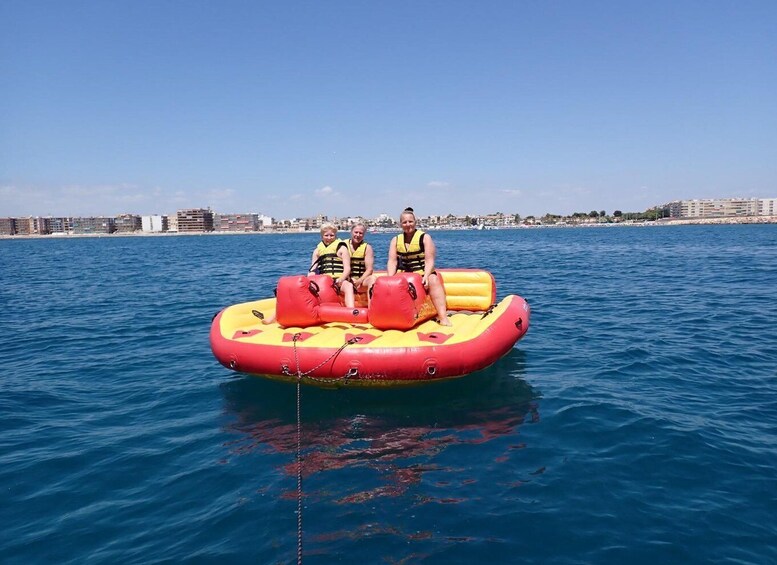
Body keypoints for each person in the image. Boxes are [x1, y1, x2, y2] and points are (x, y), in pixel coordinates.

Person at [387, 207, 452, 326]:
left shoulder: (425, 238)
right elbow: (392, 262)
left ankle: (443, 317)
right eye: (405, 222)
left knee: (433, 279)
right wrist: (390, 278)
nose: (408, 224)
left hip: (422, 272)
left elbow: (430, 260)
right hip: (403, 273)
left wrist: (426, 276)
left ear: (415, 222)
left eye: (410, 221)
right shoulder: (395, 240)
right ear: (400, 224)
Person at [309, 222, 355, 308]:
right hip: (323, 281)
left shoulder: (342, 248)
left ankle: (351, 312)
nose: (329, 238)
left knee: (348, 286)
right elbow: (312, 269)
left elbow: (347, 269)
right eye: (326, 235)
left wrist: (341, 279)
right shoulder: (317, 251)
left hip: (338, 280)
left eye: (332, 235)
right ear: (322, 236)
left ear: (335, 235)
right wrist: (311, 275)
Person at [346, 223, 375, 303]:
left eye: (361, 233)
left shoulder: (367, 248)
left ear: (364, 234)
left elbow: (369, 270)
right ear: (351, 232)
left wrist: (359, 281)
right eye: (356, 232)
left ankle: (371, 309)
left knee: (372, 279)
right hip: (346, 280)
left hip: (361, 281)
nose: (358, 235)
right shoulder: (343, 245)